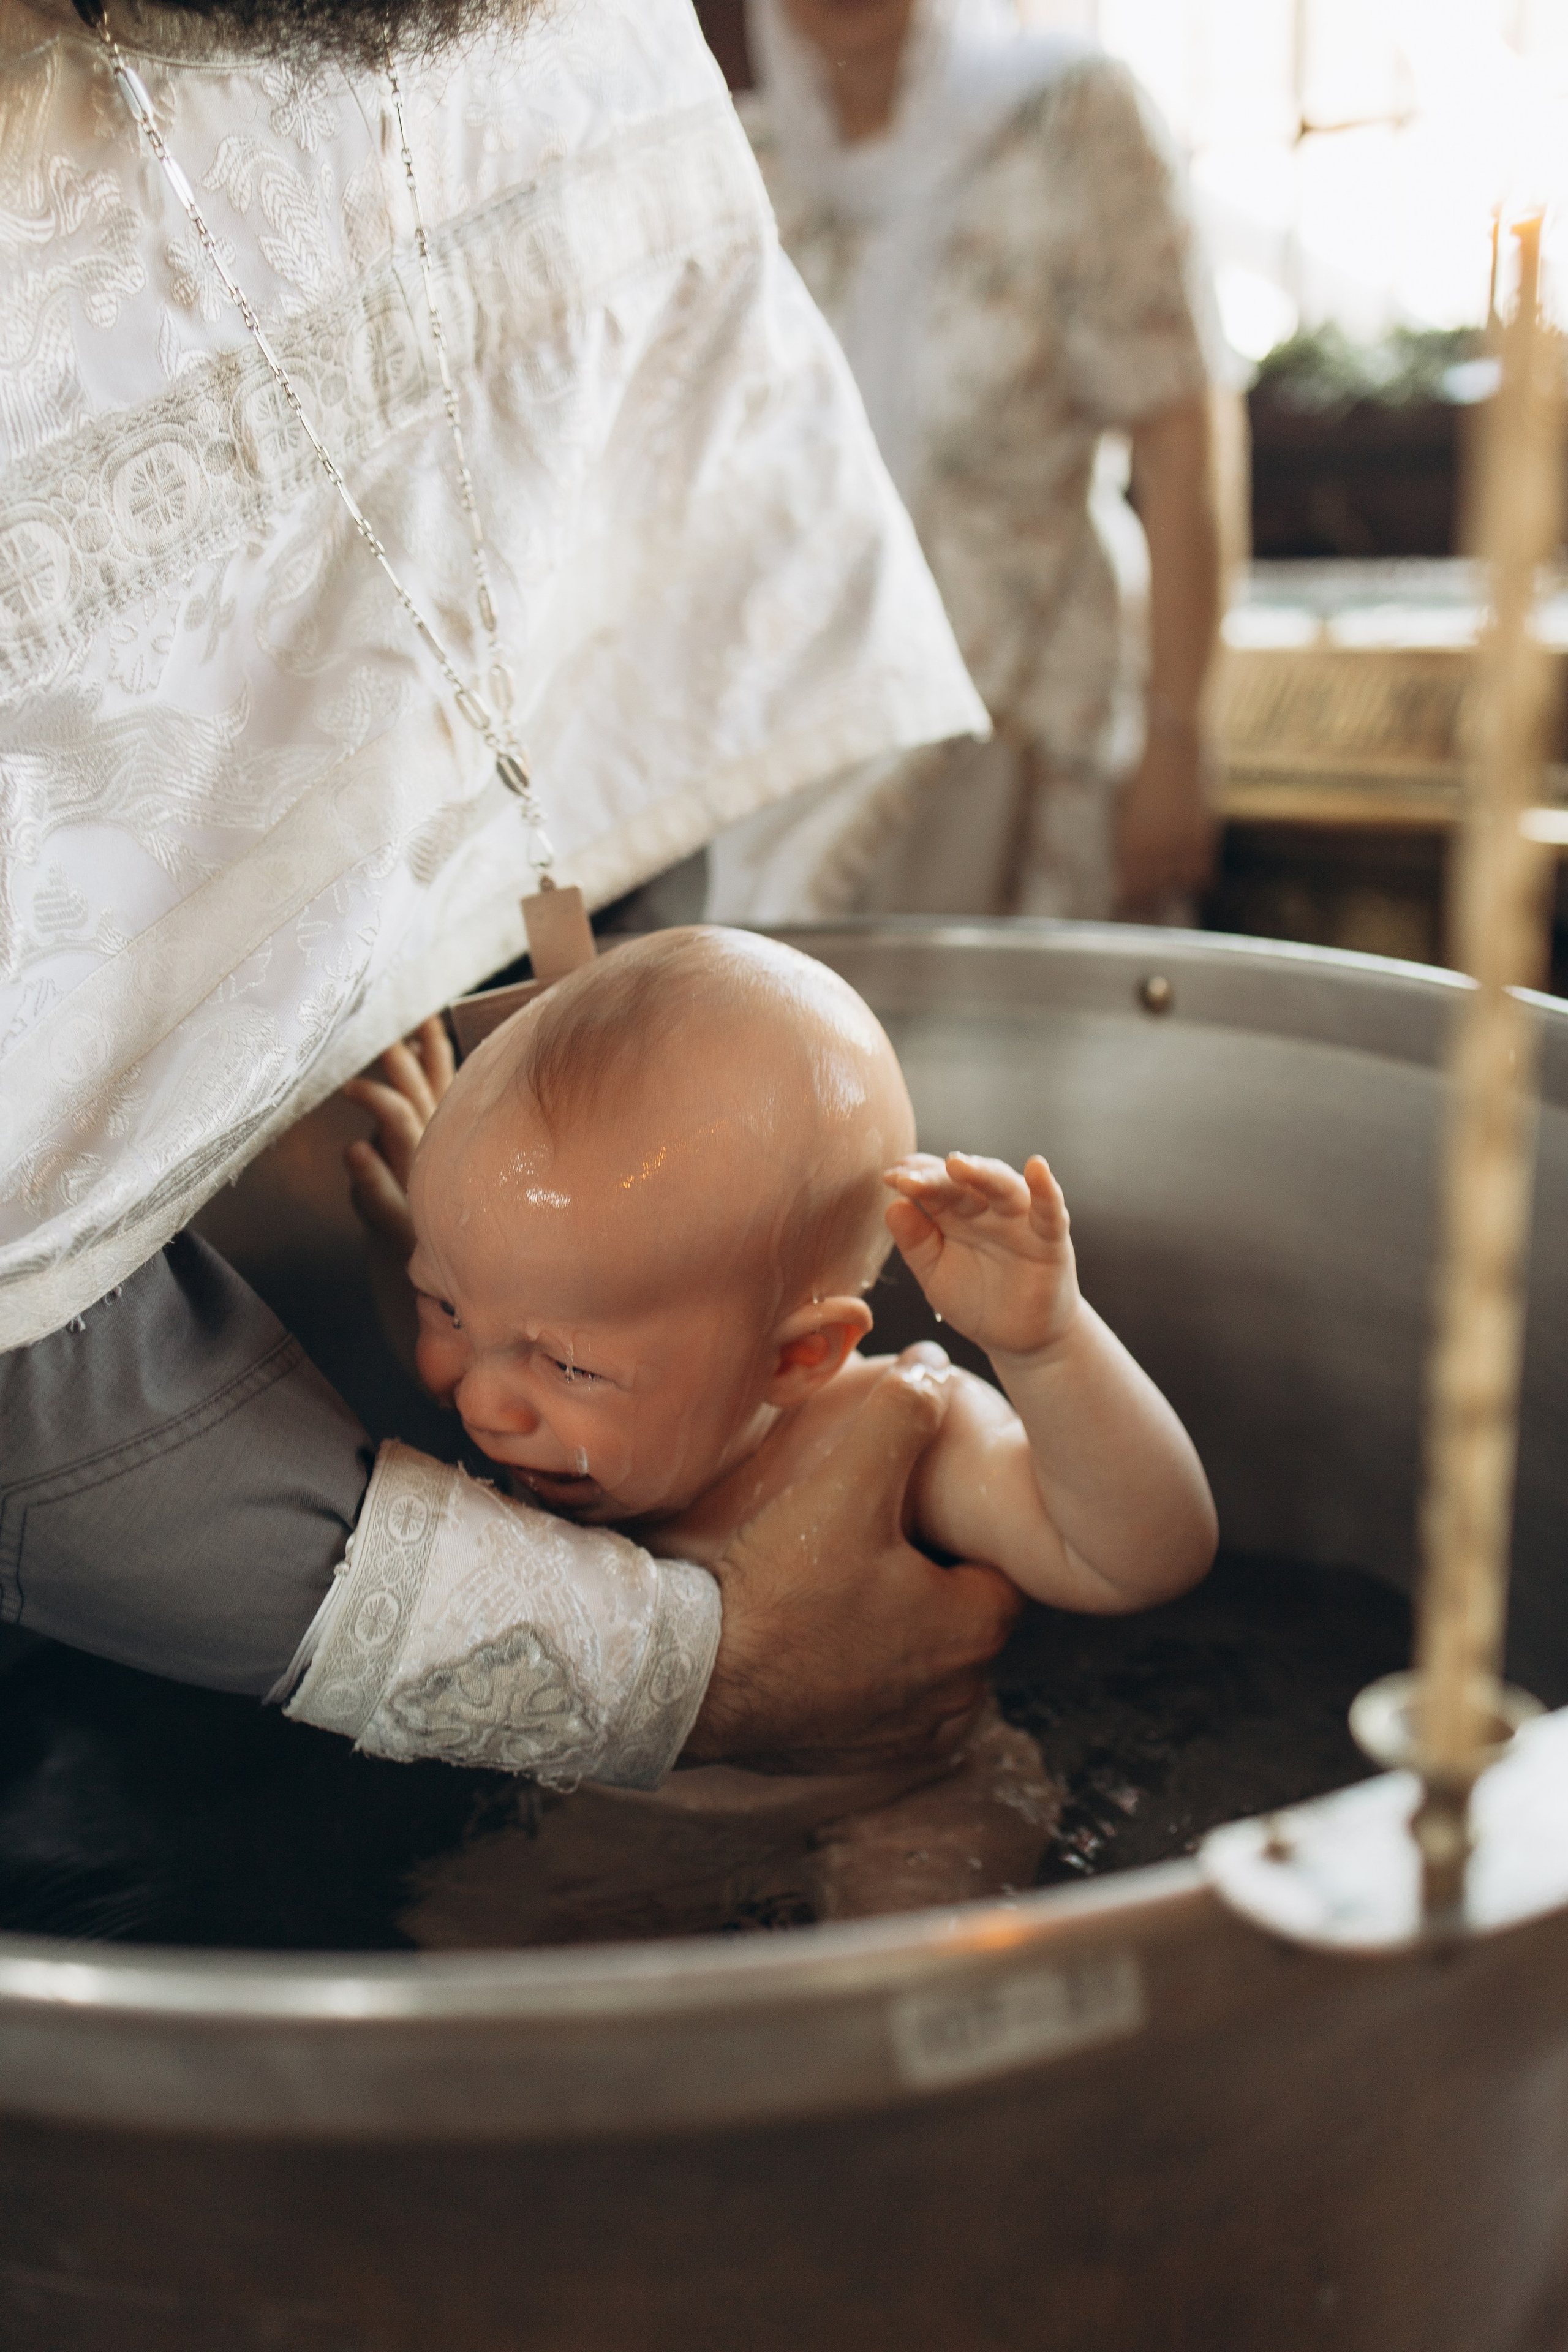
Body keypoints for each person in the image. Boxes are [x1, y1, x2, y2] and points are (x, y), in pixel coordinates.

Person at [0, 0, 1020, 1784]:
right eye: (465, 1335)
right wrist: (663, 1669)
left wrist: (537, 1224)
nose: (478, 1374)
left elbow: (627, 807)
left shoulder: (565, 39)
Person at [312, 928, 1215, 1770]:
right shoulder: (526, 1384)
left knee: (921, 1887)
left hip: (885, 1797)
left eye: (573, 1365)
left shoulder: (892, 1437)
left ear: (797, 1360)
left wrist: (1047, 1348)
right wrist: (431, 1236)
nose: (479, 1406)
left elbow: (1134, 1560)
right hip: (603, 1828)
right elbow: (482, 1329)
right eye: (447, 1309)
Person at [707, 0, 1229, 929]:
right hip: (812, 741)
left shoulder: (1072, 117)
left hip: (1027, 727)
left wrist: (1180, 736)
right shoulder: (744, 167)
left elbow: (1183, 443)